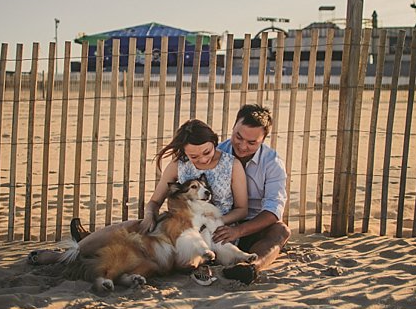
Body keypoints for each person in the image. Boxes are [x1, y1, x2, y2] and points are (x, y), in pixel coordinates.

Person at [29, 119, 248, 264]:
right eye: (194, 156)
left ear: (215, 142)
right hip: (177, 226)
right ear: (184, 153)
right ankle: (67, 255)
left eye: (206, 152)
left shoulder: (231, 165)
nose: (201, 159)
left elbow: (242, 208)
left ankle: (93, 251)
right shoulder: (178, 166)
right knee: (131, 227)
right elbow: (154, 201)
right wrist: (150, 216)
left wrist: (218, 220)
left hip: (216, 231)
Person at [210, 104, 290, 284]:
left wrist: (238, 231)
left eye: (252, 142)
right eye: (238, 137)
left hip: (253, 226)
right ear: (233, 127)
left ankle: (251, 268)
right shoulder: (216, 153)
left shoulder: (272, 163)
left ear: (263, 139)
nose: (243, 146)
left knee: (281, 230)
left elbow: (273, 211)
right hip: (219, 224)